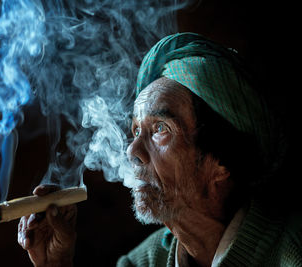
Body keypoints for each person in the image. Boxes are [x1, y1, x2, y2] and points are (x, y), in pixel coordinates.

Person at [17, 33, 302, 266]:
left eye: (160, 130)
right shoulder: (144, 262)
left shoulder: (291, 253)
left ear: (222, 161)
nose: (132, 151)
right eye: (136, 132)